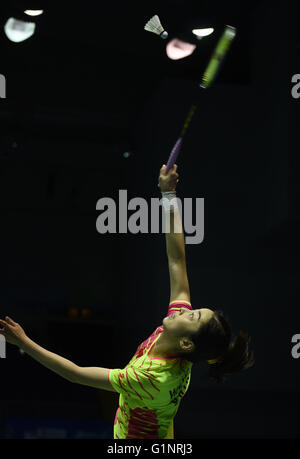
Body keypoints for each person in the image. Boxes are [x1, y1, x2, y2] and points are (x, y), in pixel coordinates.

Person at [0, 164, 254, 439]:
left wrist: (23, 342)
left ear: (186, 343)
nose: (186, 310)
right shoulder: (183, 342)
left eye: (192, 317)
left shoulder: (149, 378)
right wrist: (168, 194)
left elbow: (75, 373)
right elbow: (177, 258)